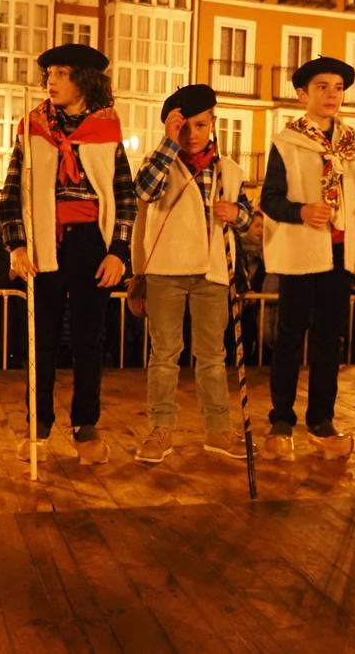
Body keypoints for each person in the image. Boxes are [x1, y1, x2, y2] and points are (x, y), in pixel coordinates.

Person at [0, 43, 137, 466]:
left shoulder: (106, 130)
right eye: (49, 75)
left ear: (84, 79)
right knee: (38, 338)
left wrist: (118, 252)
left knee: (89, 339)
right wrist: (17, 245)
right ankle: (37, 423)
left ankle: (85, 423)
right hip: (44, 242)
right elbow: (11, 194)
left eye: (60, 73)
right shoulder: (32, 129)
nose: (51, 82)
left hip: (91, 243)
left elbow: (124, 195)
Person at [132, 84, 253, 464]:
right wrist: (168, 143)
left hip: (213, 271)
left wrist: (236, 214)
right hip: (166, 269)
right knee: (165, 355)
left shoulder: (229, 171)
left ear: (212, 123)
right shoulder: (160, 162)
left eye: (201, 125)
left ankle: (218, 431)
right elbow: (145, 191)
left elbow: (248, 218)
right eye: (184, 127)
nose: (193, 134)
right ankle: (160, 428)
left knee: (212, 356)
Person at [259, 57, 355, 462]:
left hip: (341, 252)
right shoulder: (287, 142)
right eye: (322, 86)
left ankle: (321, 419)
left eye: (338, 87)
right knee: (290, 336)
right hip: (302, 251)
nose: (331, 94)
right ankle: (281, 419)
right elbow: (269, 199)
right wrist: (302, 211)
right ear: (303, 94)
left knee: (330, 339)